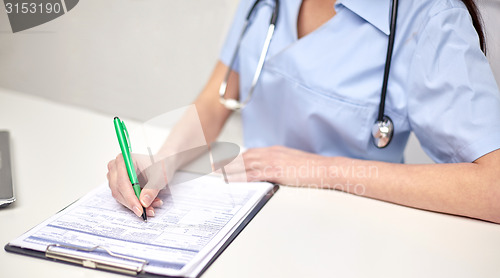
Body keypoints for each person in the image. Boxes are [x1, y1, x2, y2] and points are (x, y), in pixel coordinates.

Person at [107, 0, 500, 223]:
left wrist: (318, 169)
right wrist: (163, 163)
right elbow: (217, 98)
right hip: (242, 215)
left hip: (354, 233)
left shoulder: (431, 17)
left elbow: (494, 189)